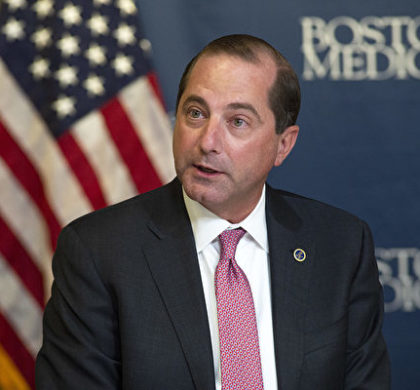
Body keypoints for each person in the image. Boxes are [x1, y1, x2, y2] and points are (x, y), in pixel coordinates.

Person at [36, 34, 390, 389]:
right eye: (195, 113)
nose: (207, 142)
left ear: (283, 145)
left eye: (237, 121)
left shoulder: (340, 246)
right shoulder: (98, 251)